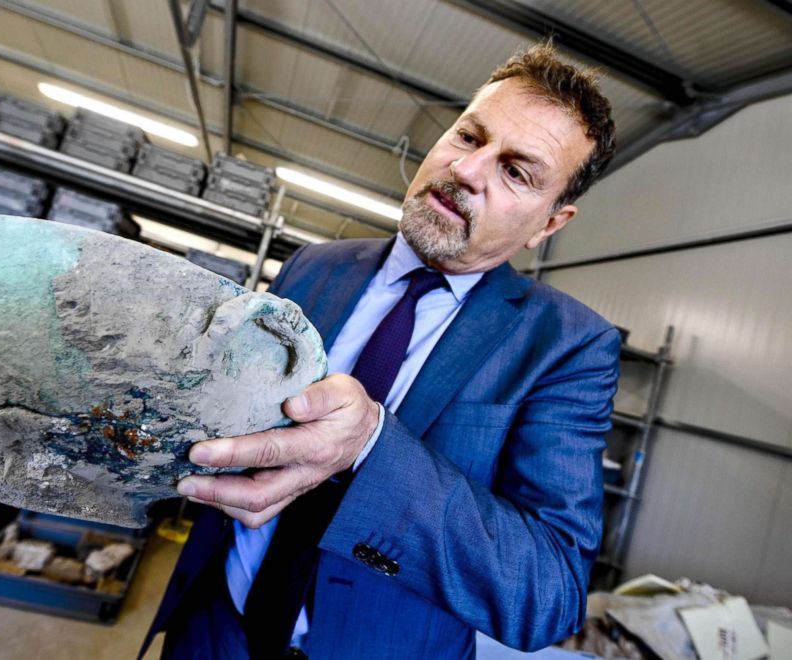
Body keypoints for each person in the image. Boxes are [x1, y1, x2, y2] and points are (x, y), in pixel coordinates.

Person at [142, 41, 620, 659]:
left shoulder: (568, 348)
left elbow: (547, 595)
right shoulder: (315, 267)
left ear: (549, 224)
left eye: (516, 172)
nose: (468, 172)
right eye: (470, 138)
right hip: (212, 625)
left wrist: (371, 443)